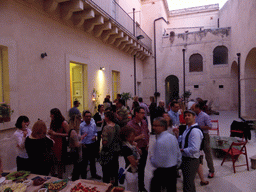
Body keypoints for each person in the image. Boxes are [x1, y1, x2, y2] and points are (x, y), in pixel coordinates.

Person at [150, 117, 181, 192]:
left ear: (163, 127)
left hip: (163, 172)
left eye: (156, 126)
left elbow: (158, 162)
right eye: (153, 125)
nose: (153, 128)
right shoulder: (172, 137)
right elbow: (178, 155)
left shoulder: (160, 141)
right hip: (173, 170)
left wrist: (151, 158)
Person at [179, 110, 203, 192]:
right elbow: (183, 140)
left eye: (189, 115)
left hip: (191, 160)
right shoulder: (188, 128)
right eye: (185, 116)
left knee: (188, 185)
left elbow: (195, 149)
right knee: (188, 183)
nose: (187, 117)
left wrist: (182, 150)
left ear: (194, 117)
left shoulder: (195, 131)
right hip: (186, 159)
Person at [127, 107, 149, 192]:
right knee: (136, 169)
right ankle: (135, 187)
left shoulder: (144, 122)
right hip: (135, 150)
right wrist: (138, 137)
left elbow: (147, 133)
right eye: (142, 113)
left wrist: (147, 143)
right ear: (136, 113)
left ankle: (141, 187)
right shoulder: (130, 125)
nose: (144, 115)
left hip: (144, 148)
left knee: (142, 168)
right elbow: (128, 140)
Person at [191, 102, 215, 178]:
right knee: (197, 153)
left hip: (204, 136)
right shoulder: (194, 115)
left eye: (193, 108)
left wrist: (199, 127)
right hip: (196, 136)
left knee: (207, 153)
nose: (192, 109)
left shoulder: (205, 116)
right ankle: (198, 170)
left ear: (198, 108)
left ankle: (211, 170)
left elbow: (210, 127)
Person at [100, 111, 121, 186]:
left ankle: (107, 187)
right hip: (115, 151)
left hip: (108, 152)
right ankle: (115, 187)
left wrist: (102, 137)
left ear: (108, 118)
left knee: (106, 172)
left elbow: (105, 142)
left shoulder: (106, 128)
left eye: (105, 116)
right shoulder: (117, 126)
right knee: (114, 170)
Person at [80, 110, 101, 180]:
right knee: (84, 162)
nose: (88, 118)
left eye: (89, 116)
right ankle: (83, 177)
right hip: (84, 146)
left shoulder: (93, 124)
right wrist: (82, 144)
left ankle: (94, 174)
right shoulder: (81, 126)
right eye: (87, 116)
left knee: (92, 161)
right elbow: (79, 136)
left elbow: (95, 132)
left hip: (92, 145)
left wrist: (95, 136)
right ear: (83, 117)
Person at [48, 108, 69, 179]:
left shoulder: (64, 123)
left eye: (51, 114)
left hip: (60, 143)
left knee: (60, 161)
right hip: (53, 142)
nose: (50, 116)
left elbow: (68, 134)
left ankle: (60, 177)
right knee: (52, 160)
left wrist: (56, 134)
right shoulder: (53, 121)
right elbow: (52, 131)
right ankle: (53, 175)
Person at [120, 126, 140, 192]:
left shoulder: (131, 145)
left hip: (134, 172)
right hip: (131, 173)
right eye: (132, 135)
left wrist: (135, 147)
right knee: (131, 190)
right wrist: (138, 160)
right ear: (127, 137)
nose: (134, 137)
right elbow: (134, 163)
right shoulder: (126, 148)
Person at [68, 114, 83, 181]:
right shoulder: (73, 131)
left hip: (77, 151)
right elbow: (77, 144)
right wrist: (83, 139)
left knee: (77, 168)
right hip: (75, 152)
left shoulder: (75, 130)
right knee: (76, 169)